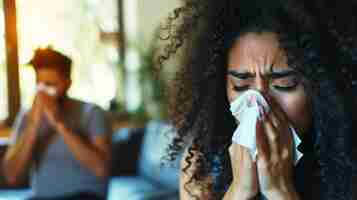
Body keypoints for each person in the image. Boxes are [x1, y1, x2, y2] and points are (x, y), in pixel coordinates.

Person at [158, 0, 357, 199]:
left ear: (322, 89)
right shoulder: (202, 163)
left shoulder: (348, 162)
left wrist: (279, 190)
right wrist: (239, 190)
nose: (260, 105)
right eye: (241, 86)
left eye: (284, 84)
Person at [2, 47, 112, 200]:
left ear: (67, 84)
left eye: (50, 84)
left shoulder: (92, 113)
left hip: (85, 196)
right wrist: (33, 125)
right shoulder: (27, 116)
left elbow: (101, 169)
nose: (43, 92)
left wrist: (59, 123)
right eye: (39, 84)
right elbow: (11, 175)